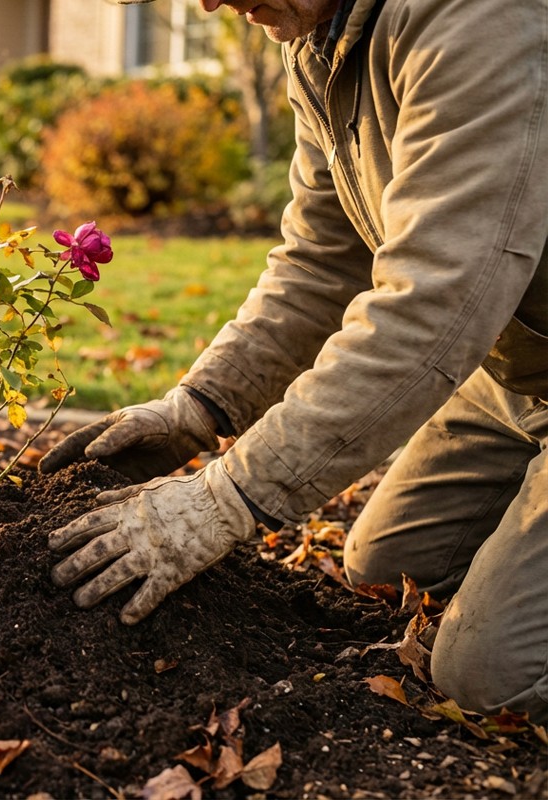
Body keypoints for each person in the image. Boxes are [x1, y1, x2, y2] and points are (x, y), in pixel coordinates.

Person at [41, 0, 547, 725]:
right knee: (387, 566)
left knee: (495, 677)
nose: (211, 3)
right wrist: (201, 405)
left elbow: (438, 300)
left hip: (500, 337)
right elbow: (322, 258)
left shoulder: (480, 17)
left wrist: (229, 498)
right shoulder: (326, 38)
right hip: (520, 376)